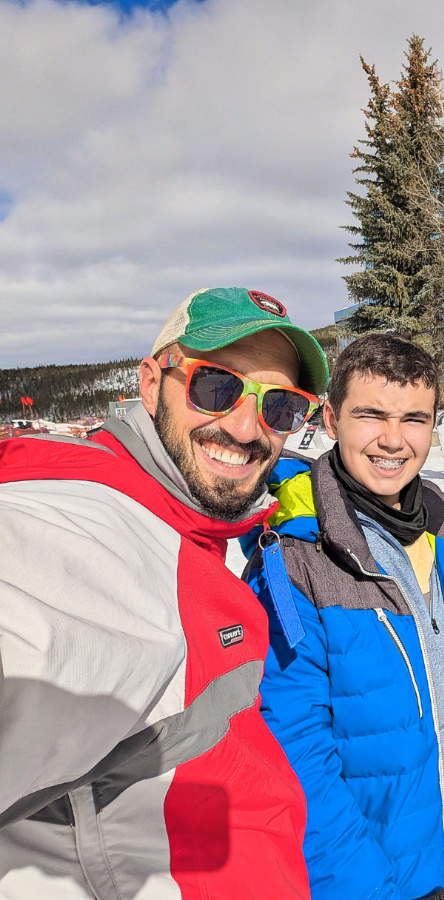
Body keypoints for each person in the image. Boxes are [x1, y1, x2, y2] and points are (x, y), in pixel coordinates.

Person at [0, 287, 327, 898]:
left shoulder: (196, 521)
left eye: (281, 406)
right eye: (216, 387)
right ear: (152, 384)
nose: (245, 425)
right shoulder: (95, 526)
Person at [244, 334, 444, 900]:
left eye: (413, 419)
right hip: (382, 873)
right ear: (331, 418)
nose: (393, 440)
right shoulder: (297, 558)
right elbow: (297, 754)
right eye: (370, 415)